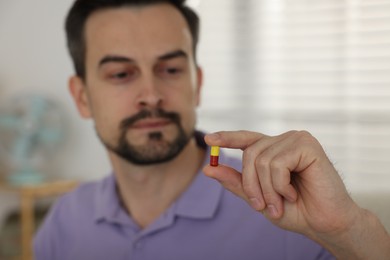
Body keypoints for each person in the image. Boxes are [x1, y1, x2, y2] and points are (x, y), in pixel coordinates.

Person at [34, 0, 390, 259]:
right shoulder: (62, 223)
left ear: (197, 83)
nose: (152, 95)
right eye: (121, 74)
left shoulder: (285, 211)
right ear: (82, 97)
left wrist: (347, 232)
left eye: (171, 69)